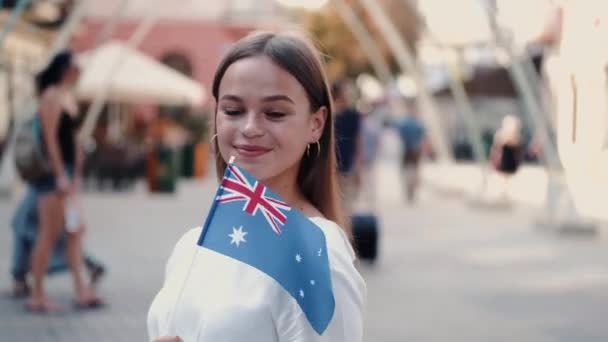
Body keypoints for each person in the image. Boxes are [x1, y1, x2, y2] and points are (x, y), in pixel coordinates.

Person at [148, 31, 366, 342]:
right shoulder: (191, 245)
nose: (250, 128)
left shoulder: (316, 253)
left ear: (316, 124)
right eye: (233, 110)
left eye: (275, 113)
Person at [27, 50, 103, 313]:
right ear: (63, 69)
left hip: (68, 174)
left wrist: (75, 174)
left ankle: (81, 290)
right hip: (53, 176)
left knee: (75, 232)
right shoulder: (50, 96)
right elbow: (50, 139)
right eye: (74, 67)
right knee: (48, 234)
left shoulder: (68, 97)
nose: (77, 72)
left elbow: (73, 139)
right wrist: (60, 174)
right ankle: (36, 295)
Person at [8, 185, 106, 299]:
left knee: (33, 230)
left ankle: (28, 285)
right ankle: (87, 271)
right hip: (59, 193)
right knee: (61, 235)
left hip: (49, 190)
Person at [332, 79, 363, 217]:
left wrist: (358, 167)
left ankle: (345, 235)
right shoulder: (328, 115)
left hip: (347, 166)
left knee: (346, 208)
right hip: (330, 168)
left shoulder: (353, 115)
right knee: (338, 207)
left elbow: (358, 141)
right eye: (347, 92)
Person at [396, 103, 427, 204]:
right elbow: (423, 137)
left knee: (406, 170)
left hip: (407, 149)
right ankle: (412, 189)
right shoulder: (418, 123)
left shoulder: (404, 123)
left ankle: (409, 189)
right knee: (414, 170)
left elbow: (400, 135)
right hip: (415, 150)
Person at [490, 115, 523, 198]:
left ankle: (505, 191)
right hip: (503, 157)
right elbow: (497, 146)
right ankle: (502, 190)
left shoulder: (516, 136)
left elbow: (517, 147)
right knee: (502, 176)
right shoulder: (501, 134)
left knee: (507, 176)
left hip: (510, 158)